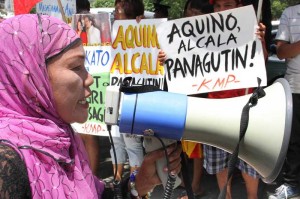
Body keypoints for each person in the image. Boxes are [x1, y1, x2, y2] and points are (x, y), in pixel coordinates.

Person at [0, 14, 182, 199]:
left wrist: (138, 184)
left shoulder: (65, 141)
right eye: (75, 67)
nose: (90, 79)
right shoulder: (7, 164)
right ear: (30, 77)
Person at [202, 1, 268, 199]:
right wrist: (167, 57)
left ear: (238, 5)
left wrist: (260, 40)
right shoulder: (203, 32)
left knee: (249, 162)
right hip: (214, 108)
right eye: (217, 6)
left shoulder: (250, 27)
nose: (222, 10)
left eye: (227, 4)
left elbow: (262, 60)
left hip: (244, 107)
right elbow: (186, 60)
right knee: (220, 163)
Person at [109, 0, 145, 182]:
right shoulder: (110, 34)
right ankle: (117, 180)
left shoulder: (144, 37)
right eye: (115, 10)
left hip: (131, 99)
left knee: (132, 144)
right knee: (115, 141)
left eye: (119, 11)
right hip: (113, 96)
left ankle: (134, 183)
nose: (115, 14)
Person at [268, 3, 300, 199]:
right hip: (296, 88)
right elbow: (281, 52)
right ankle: (292, 184)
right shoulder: (290, 13)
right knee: (294, 140)